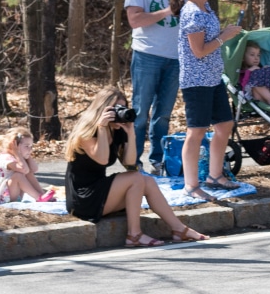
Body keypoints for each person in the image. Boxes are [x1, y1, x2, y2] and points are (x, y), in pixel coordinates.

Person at [65, 88, 209, 247]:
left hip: (100, 190)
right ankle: (134, 235)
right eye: (116, 109)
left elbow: (130, 163)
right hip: (83, 198)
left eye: (122, 108)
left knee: (147, 181)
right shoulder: (87, 133)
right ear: (102, 109)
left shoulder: (117, 130)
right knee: (136, 179)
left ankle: (179, 229)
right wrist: (101, 128)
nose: (119, 113)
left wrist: (130, 133)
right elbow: (102, 159)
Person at [171, 0, 243, 200]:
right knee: (196, 132)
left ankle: (215, 175)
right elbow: (199, 51)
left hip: (213, 78)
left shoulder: (207, 8)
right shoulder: (192, 13)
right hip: (196, 81)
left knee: (224, 125)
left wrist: (223, 34)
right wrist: (225, 36)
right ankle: (191, 186)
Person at [124, 0, 181, 174]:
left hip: (174, 59)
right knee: (139, 113)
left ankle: (158, 160)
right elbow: (135, 20)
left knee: (163, 115)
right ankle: (133, 162)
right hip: (147, 56)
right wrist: (169, 10)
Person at [0, 127, 52, 203]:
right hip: (2, 197)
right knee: (18, 175)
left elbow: (34, 169)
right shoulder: (6, 157)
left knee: (28, 172)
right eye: (26, 146)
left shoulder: (20, 158)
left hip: (14, 194)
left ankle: (42, 195)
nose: (30, 149)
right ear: (14, 146)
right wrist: (17, 153)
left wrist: (27, 156)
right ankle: (38, 197)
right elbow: (24, 170)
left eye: (31, 146)